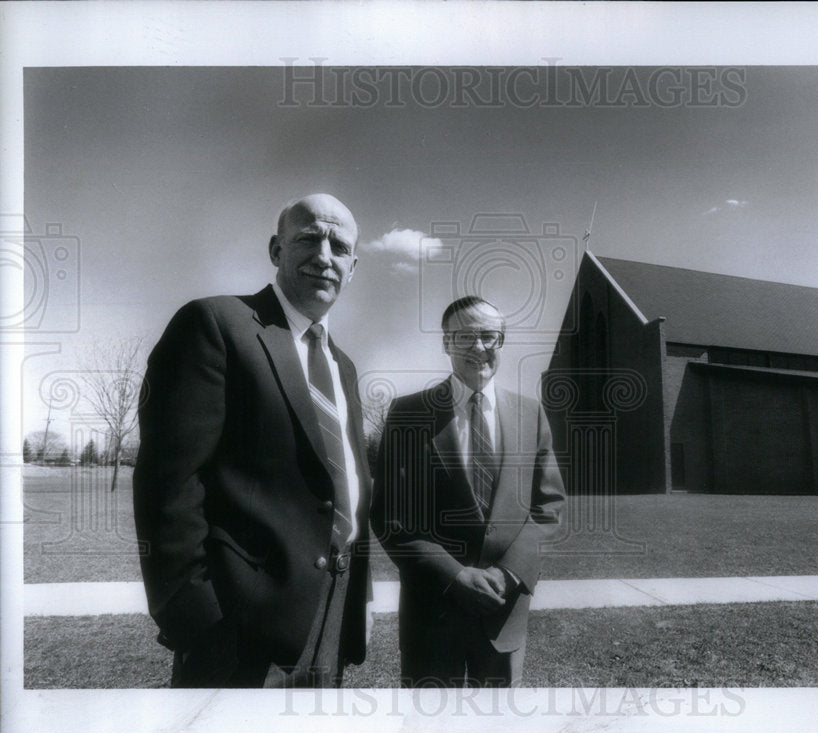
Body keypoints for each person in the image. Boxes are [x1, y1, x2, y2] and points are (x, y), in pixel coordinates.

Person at [133, 193, 371, 688]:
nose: (324, 256)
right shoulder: (215, 325)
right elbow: (167, 485)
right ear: (275, 249)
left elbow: (344, 486)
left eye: (340, 246)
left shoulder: (342, 366)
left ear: (354, 266)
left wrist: (359, 601)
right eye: (308, 238)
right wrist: (197, 622)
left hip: (331, 619)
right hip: (236, 632)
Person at [371, 296, 565, 687]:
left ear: (502, 343)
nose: (479, 347)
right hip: (432, 615)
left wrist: (508, 575)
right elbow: (390, 516)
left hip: (504, 615)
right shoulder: (407, 414)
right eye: (465, 336)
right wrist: (455, 576)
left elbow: (549, 507)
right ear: (446, 343)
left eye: (489, 337)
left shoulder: (531, 414)